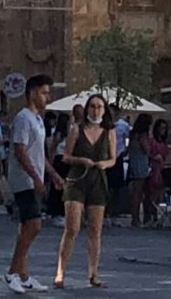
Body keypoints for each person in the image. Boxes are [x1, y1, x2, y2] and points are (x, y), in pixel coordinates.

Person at [53, 94, 115, 289]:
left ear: (104, 110)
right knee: (72, 227)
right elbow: (65, 156)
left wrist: (104, 164)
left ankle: (93, 273)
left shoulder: (109, 132)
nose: (95, 110)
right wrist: (81, 160)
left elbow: (113, 158)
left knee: (95, 230)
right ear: (87, 109)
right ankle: (60, 272)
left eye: (99, 107)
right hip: (77, 180)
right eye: (92, 107)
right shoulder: (77, 130)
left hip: (98, 180)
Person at [3, 77, 54, 295]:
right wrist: (35, 177)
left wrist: (53, 174)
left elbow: (39, 153)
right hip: (24, 179)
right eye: (44, 92)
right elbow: (21, 151)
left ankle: (23, 274)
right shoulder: (23, 118)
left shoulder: (38, 120)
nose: (47, 97)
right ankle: (13, 272)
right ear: (32, 93)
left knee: (27, 227)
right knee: (34, 225)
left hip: (34, 177)